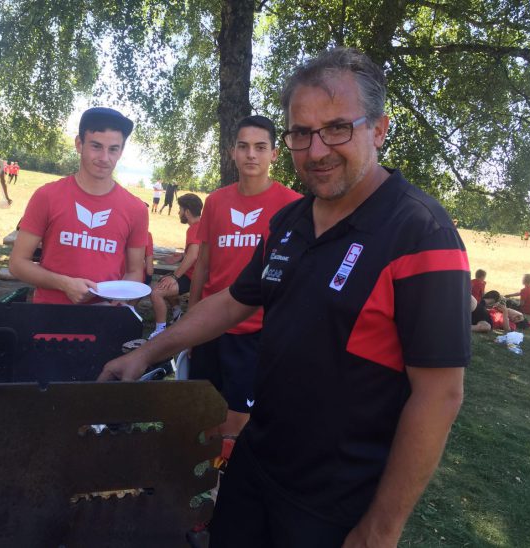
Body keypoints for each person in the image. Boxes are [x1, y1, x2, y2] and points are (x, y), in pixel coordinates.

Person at [100, 48, 470, 547]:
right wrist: (146, 353)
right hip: (257, 462)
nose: (316, 151)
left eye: (337, 128)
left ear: (379, 130)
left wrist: (381, 530)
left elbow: (440, 394)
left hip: (336, 499)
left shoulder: (421, 234)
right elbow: (232, 301)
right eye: (301, 133)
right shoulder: (290, 223)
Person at [187, 115, 302, 452]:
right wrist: (192, 321)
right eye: (244, 146)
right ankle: (203, 473)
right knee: (202, 413)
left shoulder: (293, 205)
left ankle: (230, 474)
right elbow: (203, 264)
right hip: (211, 326)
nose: (251, 154)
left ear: (274, 154)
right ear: (232, 152)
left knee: (238, 424)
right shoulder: (216, 201)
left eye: (260, 147)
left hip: (256, 332)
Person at [9, 107, 148, 305]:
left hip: (104, 316)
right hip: (48, 314)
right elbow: (17, 263)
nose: (104, 158)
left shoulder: (136, 209)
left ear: (121, 152)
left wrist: (119, 301)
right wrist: (64, 284)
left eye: (113, 149)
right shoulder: (47, 196)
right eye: (96, 146)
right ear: (79, 144)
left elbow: (134, 271)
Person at [149, 193, 203, 338]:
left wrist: (174, 276)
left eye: (180, 209)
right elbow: (197, 253)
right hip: (195, 275)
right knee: (163, 281)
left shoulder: (194, 228)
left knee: (156, 293)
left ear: (187, 212)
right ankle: (177, 314)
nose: (179, 213)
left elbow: (193, 255)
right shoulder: (202, 225)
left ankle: (160, 331)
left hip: (194, 278)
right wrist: (181, 257)